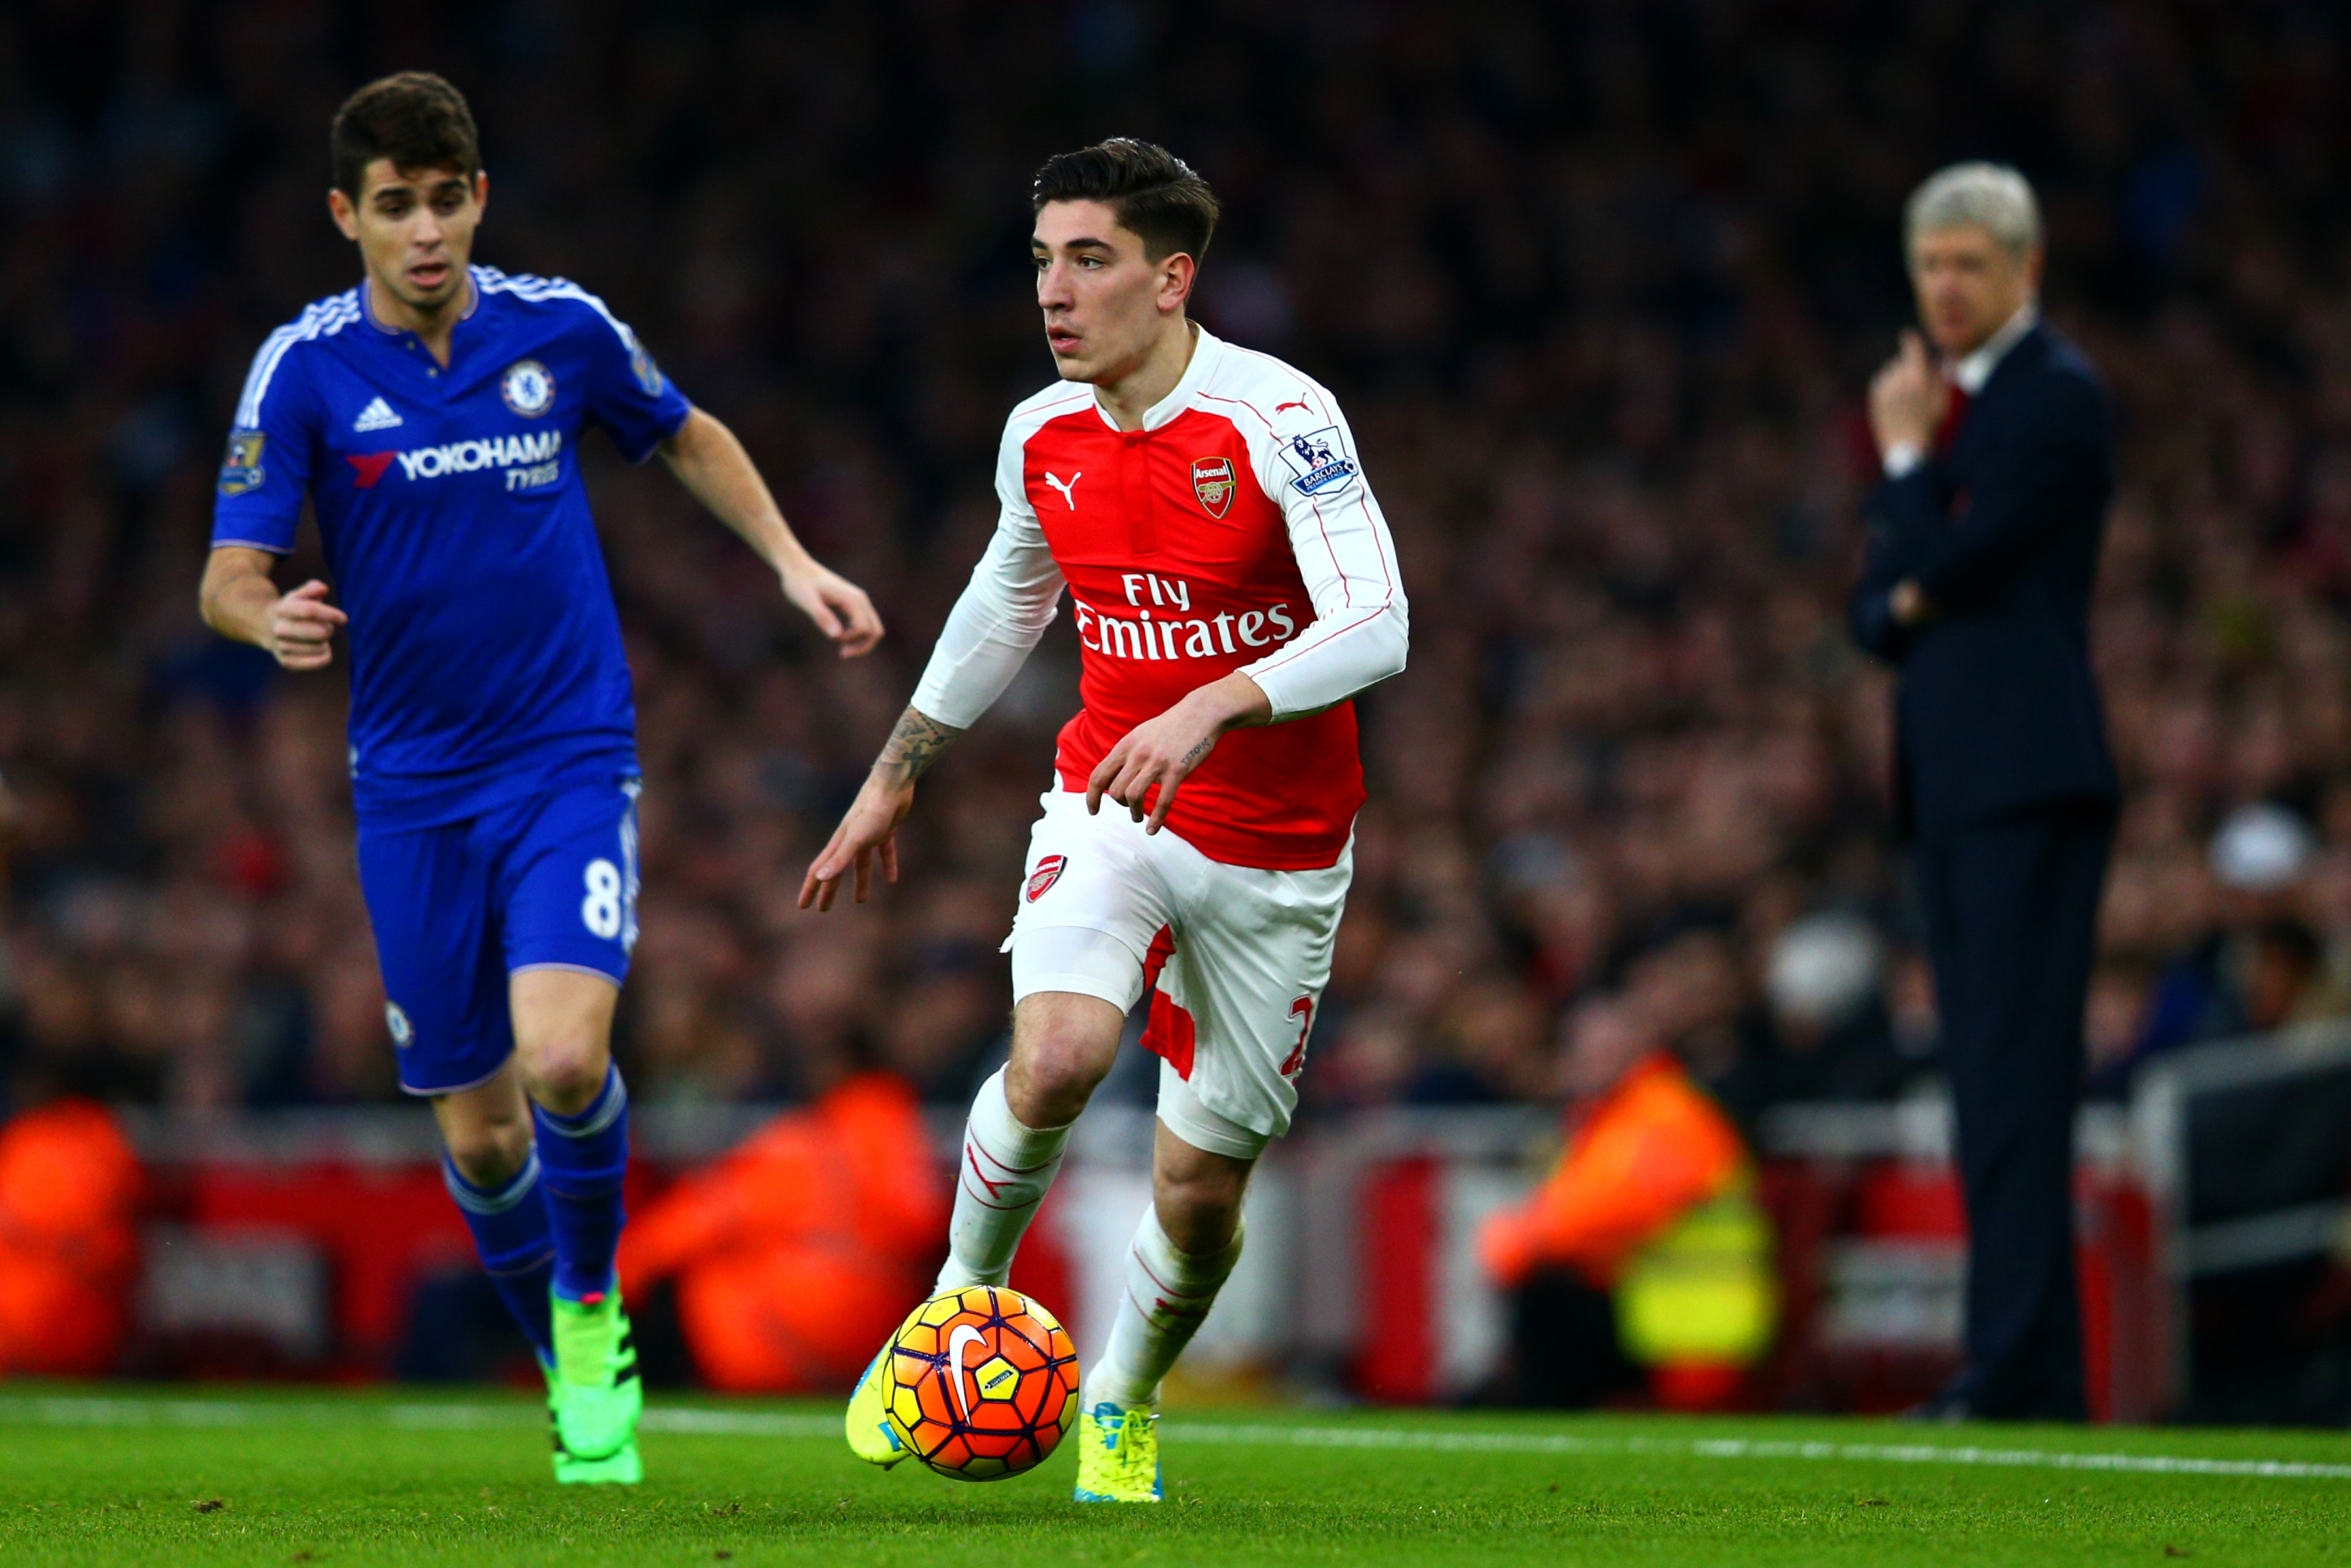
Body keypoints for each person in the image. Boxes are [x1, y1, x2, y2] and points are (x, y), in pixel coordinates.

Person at [201, 73, 880, 1483]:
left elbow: (683, 428)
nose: (427, 230)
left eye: (447, 200)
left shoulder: (559, 328)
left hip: (567, 754)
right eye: (395, 206)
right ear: (349, 217)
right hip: (409, 791)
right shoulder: (304, 368)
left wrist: (791, 558)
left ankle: (589, 1322)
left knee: (567, 1057)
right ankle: (561, 1338)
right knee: (482, 1125)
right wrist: (267, 617)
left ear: (479, 200)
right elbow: (226, 571)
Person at [801, 139, 1406, 1502]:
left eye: (1090, 260)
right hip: (1109, 797)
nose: (1055, 294)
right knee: (1060, 1052)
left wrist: (1211, 707)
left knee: (1198, 1199)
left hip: (1279, 850)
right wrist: (899, 765)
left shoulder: (1278, 417)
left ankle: (1123, 1400)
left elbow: (1382, 621)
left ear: (1172, 276)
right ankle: (956, 1305)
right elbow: (1008, 599)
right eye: (1040, 262)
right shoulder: (1043, 431)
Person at [1849, 162, 2117, 1420]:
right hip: (1956, 786)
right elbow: (1878, 604)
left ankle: (2017, 1370)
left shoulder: (2050, 396)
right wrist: (1914, 563)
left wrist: (1904, 468)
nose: (1944, 287)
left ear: (2024, 269)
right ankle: (2018, 1364)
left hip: (2024, 777)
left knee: (2014, 1078)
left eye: (1967, 263)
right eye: (1929, 265)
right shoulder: (1958, 410)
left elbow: (1952, 558)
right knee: (1981, 1079)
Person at [1477, 998, 1777, 1413]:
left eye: (1605, 1048)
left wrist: (1524, 1240)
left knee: (1548, 1305)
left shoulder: (1673, 1113)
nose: (1590, 1060)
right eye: (1582, 1049)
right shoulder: (1614, 1116)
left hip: (1696, 1325)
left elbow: (1617, 1209)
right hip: (1656, 1315)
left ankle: (1531, 1419)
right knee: (1549, 1301)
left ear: (1642, 1046)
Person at [617, 1069, 947, 1394]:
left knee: (692, 1268)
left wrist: (611, 1281)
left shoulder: (804, 1149)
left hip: (758, 1354)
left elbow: (688, 1225)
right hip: (869, 1359)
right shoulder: (913, 1154)